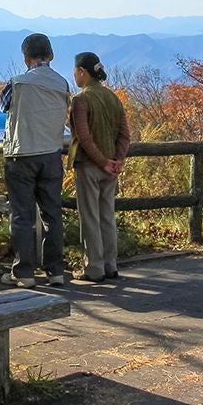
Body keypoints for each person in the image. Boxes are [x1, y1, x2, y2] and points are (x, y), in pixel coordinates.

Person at [0, 33, 71, 288]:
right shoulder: (63, 83)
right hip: (51, 155)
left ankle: (24, 273)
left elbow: (3, 106)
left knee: (22, 215)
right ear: (51, 56)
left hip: (22, 155)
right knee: (53, 214)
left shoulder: (17, 83)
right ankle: (56, 271)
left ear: (26, 58)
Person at [68, 52, 132, 283]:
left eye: (75, 71)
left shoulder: (80, 100)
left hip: (89, 166)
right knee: (107, 215)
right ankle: (110, 265)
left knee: (90, 217)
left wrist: (102, 162)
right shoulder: (113, 97)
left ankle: (94, 268)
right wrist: (117, 161)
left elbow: (84, 139)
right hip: (111, 168)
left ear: (82, 72)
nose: (74, 75)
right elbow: (125, 134)